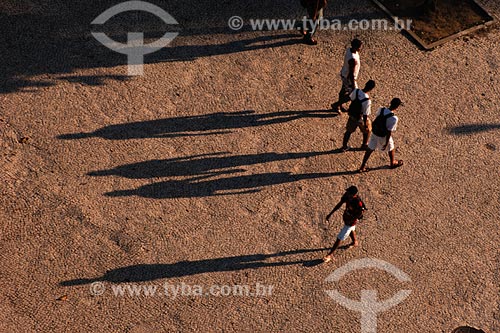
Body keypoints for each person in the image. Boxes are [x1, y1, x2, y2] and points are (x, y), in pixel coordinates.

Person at [323, 186, 367, 263]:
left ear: (354, 194)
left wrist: (352, 219)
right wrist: (331, 213)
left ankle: (330, 255)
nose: (347, 193)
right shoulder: (347, 196)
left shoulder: (358, 202)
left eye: (349, 192)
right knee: (351, 230)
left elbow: (361, 212)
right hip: (347, 218)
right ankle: (354, 242)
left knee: (339, 238)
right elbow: (339, 204)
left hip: (350, 222)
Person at [359, 98, 404, 172]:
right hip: (383, 135)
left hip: (375, 132)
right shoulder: (394, 118)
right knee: (391, 147)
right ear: (397, 107)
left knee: (370, 149)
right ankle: (392, 162)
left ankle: (362, 166)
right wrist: (386, 143)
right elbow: (389, 131)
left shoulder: (381, 109)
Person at [342, 80, 375, 151]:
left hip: (352, 115)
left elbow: (350, 98)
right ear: (371, 89)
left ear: (365, 84)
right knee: (368, 130)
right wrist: (365, 124)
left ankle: (344, 146)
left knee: (348, 131)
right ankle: (364, 144)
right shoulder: (367, 100)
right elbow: (365, 114)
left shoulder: (356, 91)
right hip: (360, 118)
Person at [331, 39, 362, 112]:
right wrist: (353, 84)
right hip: (349, 78)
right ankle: (336, 104)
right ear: (355, 47)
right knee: (353, 95)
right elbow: (351, 73)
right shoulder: (352, 59)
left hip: (344, 74)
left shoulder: (349, 50)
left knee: (343, 90)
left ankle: (339, 106)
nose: (360, 48)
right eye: (359, 47)